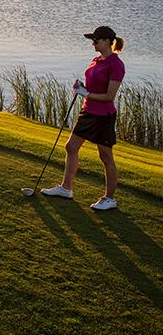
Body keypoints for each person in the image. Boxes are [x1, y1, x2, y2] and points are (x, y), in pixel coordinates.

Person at [42, 25, 125, 210]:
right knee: (71, 147)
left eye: (96, 40)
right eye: (92, 40)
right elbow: (92, 86)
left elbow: (109, 97)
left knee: (105, 156)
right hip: (88, 111)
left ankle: (109, 199)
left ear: (106, 41)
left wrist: (85, 93)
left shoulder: (116, 64)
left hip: (103, 116)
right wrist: (81, 86)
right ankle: (66, 188)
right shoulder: (97, 60)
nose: (93, 43)